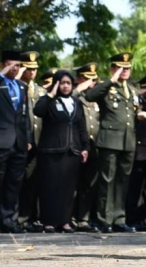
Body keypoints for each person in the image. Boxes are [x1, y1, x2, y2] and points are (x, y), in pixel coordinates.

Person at [84, 52, 140, 233]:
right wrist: (111, 80)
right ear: (113, 69)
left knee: (123, 181)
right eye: (120, 68)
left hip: (128, 140)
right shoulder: (106, 87)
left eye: (127, 68)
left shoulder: (131, 89)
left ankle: (119, 218)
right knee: (107, 180)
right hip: (110, 140)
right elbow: (90, 96)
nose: (125, 71)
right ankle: (104, 219)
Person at [33, 70, 89, 233]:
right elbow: (38, 111)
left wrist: (85, 147)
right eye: (62, 83)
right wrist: (50, 93)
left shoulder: (76, 102)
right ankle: (48, 221)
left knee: (68, 188)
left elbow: (82, 127)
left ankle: (64, 221)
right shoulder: (48, 100)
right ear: (57, 84)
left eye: (68, 83)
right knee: (50, 186)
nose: (65, 86)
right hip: (51, 150)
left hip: (72, 150)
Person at [0, 50, 31, 233]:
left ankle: (9, 220)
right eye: (11, 65)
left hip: (18, 142)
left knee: (14, 182)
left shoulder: (21, 86)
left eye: (18, 65)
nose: (15, 69)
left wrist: (27, 138)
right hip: (2, 140)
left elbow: (24, 114)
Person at [125, 74, 146, 231]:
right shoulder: (136, 103)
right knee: (135, 187)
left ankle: (145, 217)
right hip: (139, 150)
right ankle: (132, 218)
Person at [72, 63, 101, 233]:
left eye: (93, 79)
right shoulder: (75, 96)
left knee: (89, 184)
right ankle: (69, 217)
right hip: (76, 145)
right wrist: (80, 87)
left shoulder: (96, 97)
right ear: (79, 79)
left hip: (94, 146)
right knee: (73, 183)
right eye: (87, 79)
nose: (91, 82)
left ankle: (83, 218)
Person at [18, 51, 44, 232]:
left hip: (38, 142)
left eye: (35, 69)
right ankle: (19, 218)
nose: (32, 72)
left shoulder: (41, 91)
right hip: (20, 142)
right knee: (18, 181)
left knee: (33, 181)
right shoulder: (16, 87)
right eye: (28, 69)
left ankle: (30, 217)